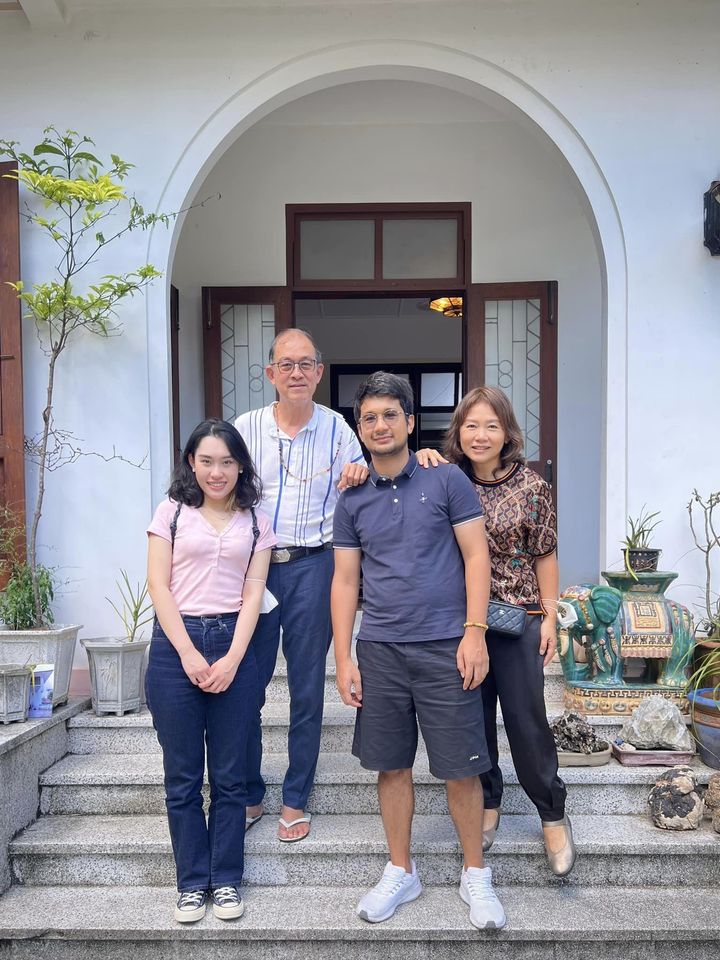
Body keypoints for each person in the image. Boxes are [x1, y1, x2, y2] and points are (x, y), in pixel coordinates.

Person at [331, 371, 507, 930]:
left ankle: (475, 873)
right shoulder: (351, 495)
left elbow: (476, 556)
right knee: (391, 765)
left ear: (410, 421)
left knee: (461, 767)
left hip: (446, 645)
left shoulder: (447, 478)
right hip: (381, 648)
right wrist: (344, 657)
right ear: (359, 428)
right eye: (369, 417)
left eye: (390, 415)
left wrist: (474, 632)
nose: (379, 425)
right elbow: (345, 581)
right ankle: (401, 870)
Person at [234, 328, 367, 842]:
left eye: (305, 364)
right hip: (256, 568)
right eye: (286, 365)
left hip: (315, 566)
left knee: (307, 688)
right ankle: (248, 790)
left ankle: (295, 798)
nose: (296, 373)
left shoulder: (339, 431)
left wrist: (362, 474)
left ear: (319, 372)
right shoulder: (245, 429)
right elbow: (218, 485)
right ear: (271, 373)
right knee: (247, 684)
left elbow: (368, 479)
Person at [146, 418, 276, 923]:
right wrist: (188, 653)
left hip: (233, 642)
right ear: (191, 463)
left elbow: (253, 591)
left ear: (240, 465)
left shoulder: (257, 518)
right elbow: (159, 585)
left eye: (226, 461)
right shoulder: (171, 512)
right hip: (174, 646)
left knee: (229, 777)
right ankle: (190, 884)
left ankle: (225, 881)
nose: (216, 472)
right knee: (181, 777)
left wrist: (233, 658)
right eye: (206, 461)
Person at [444, 385, 575, 877]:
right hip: (461, 624)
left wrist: (550, 616)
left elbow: (545, 554)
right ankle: (488, 801)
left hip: (519, 620)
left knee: (526, 720)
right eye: (471, 425)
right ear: (458, 432)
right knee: (473, 720)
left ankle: (552, 813)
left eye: (491, 426)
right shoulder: (446, 480)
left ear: (507, 433)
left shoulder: (532, 486)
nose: (480, 435)